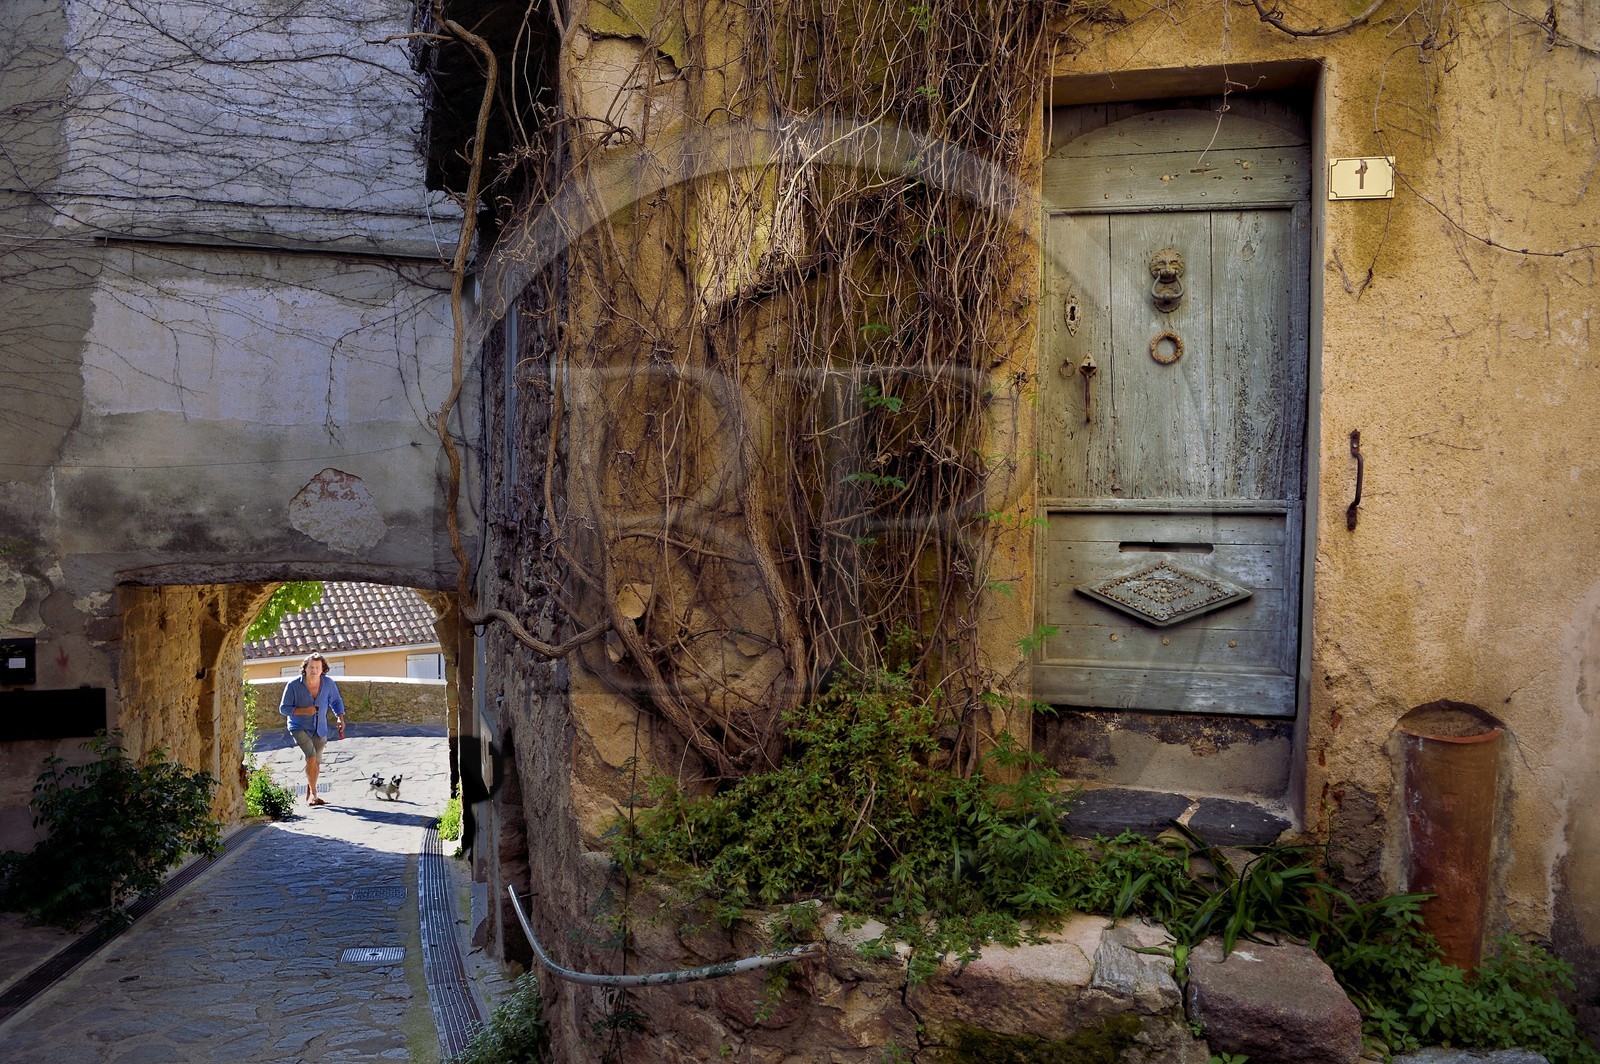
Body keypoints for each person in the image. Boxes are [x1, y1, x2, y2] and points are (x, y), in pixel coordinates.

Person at [278, 652, 346, 806]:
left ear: (323, 670)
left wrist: (340, 717)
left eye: (317, 667)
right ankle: (314, 796)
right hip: (298, 727)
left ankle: (311, 790)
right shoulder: (294, 685)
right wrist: (304, 711)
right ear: (305, 668)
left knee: (316, 762)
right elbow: (283, 708)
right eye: (311, 667)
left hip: (320, 728)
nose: (314, 670)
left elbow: (336, 701)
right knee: (311, 756)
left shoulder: (328, 684)